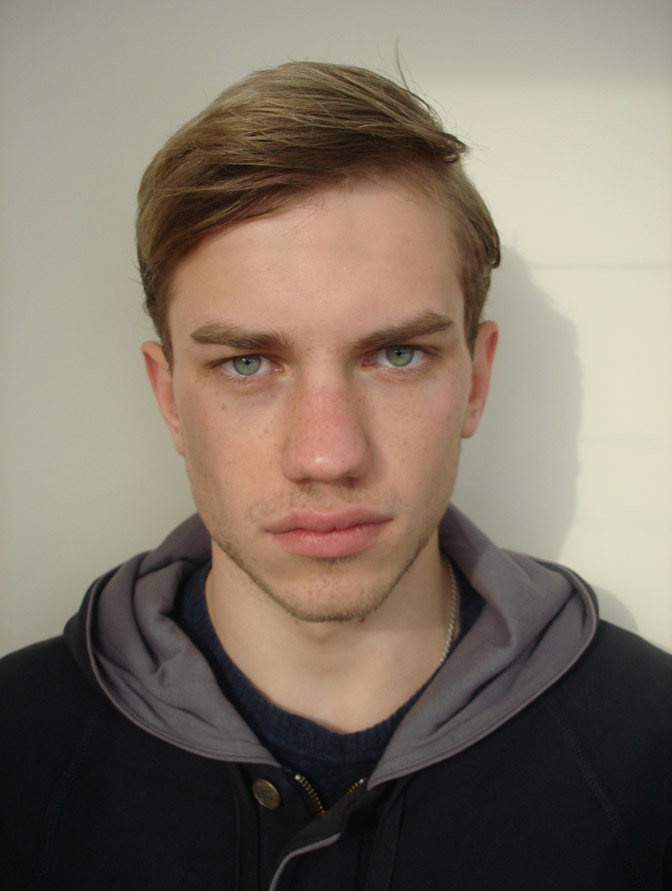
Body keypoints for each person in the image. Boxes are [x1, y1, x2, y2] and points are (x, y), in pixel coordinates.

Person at [1, 61, 670, 891]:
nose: (326, 456)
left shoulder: (651, 752)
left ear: (477, 379)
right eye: (248, 362)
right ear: (169, 397)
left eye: (398, 354)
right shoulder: (16, 747)